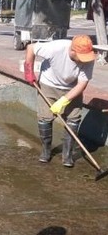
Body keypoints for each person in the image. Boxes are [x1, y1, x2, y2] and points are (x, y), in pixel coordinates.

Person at [23, 34, 96, 166]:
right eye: (80, 57)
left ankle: (67, 155)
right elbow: (31, 48)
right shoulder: (55, 48)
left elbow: (81, 85)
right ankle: (46, 150)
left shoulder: (88, 58)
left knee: (73, 119)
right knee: (45, 118)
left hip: (72, 88)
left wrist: (63, 101)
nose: (83, 61)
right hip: (48, 85)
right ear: (72, 50)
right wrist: (29, 72)